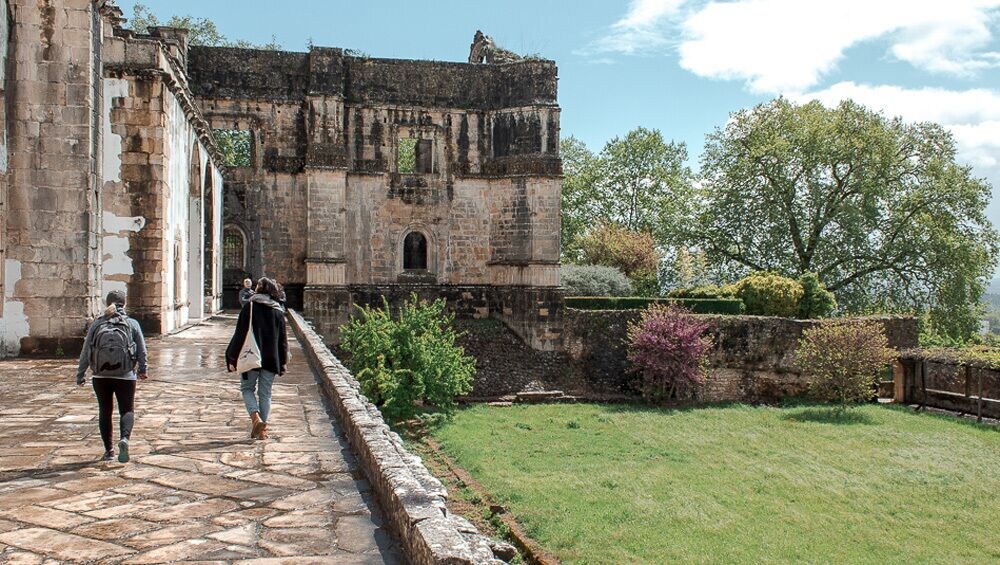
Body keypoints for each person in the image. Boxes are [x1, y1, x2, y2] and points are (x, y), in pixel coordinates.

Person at [76, 290, 148, 463]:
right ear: (124, 304)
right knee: (127, 409)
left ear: (106, 303)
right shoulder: (132, 323)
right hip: (126, 375)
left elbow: (86, 350)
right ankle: (124, 439)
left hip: (100, 376)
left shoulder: (97, 323)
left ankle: (108, 451)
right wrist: (143, 369)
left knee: (105, 411)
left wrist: (81, 374)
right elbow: (142, 350)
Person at [226, 277, 288, 440]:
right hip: (271, 359)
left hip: (251, 356)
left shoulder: (250, 307)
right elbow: (283, 341)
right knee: (265, 393)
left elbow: (240, 334)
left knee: (247, 388)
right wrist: (282, 363)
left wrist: (231, 356)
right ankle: (262, 429)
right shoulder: (278, 311)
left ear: (259, 290)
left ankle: (256, 419)